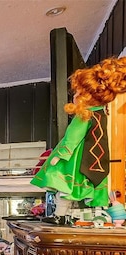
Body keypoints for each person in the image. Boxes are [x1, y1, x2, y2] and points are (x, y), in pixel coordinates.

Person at [31, 56, 126, 224]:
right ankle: (85, 215)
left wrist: (58, 156)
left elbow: (71, 138)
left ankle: (60, 216)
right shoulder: (102, 114)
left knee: (65, 187)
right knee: (79, 189)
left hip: (76, 160)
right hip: (94, 160)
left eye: (78, 92)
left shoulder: (84, 115)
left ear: (87, 96)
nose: (74, 96)